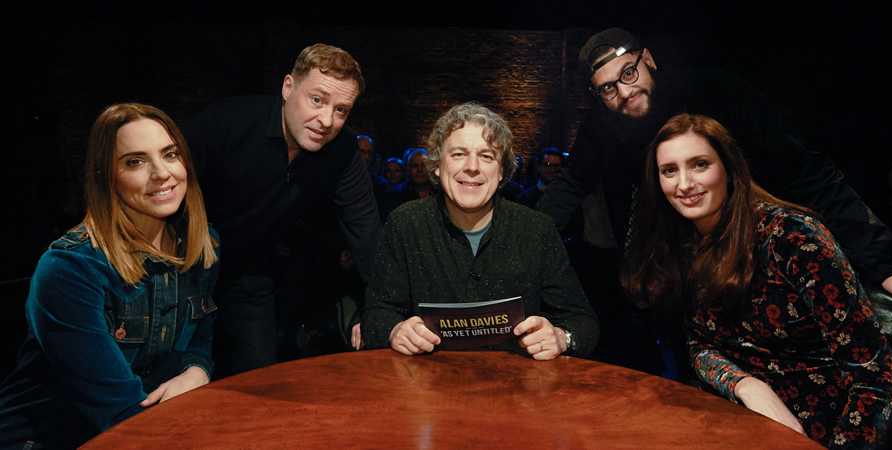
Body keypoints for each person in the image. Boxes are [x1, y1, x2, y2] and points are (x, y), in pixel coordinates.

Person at [538, 27, 892, 302]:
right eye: (608, 88)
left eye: (628, 73)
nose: (624, 91)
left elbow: (807, 172)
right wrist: (513, 244)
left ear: (648, 59)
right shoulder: (601, 125)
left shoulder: (717, 92)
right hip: (675, 276)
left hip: (752, 256)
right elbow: (567, 187)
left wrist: (884, 263)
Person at [622, 114, 892, 448]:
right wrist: (747, 386)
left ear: (728, 168)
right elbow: (699, 346)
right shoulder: (681, 245)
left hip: (830, 430)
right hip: (744, 421)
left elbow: (879, 379)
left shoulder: (792, 238)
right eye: (670, 170)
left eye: (699, 164)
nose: (683, 184)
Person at [0, 103, 220, 448]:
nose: (162, 173)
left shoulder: (201, 245)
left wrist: (197, 370)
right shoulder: (71, 269)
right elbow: (119, 410)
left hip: (150, 426)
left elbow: (200, 338)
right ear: (108, 178)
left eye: (170, 154)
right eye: (135, 161)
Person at [184, 43, 379, 376]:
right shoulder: (227, 121)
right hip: (182, 264)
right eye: (317, 100)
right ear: (289, 87)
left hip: (248, 271)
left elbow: (367, 233)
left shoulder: (344, 151)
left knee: (262, 377)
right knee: (172, 374)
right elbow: (167, 187)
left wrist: (387, 308)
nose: (327, 120)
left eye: (342, 110)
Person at [361, 102, 599, 359]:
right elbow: (375, 315)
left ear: (501, 172)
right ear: (438, 166)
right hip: (427, 387)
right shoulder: (405, 225)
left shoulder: (536, 229)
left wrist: (563, 337)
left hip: (518, 388)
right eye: (458, 154)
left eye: (486, 156)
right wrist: (394, 330)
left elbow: (584, 322)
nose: (472, 167)